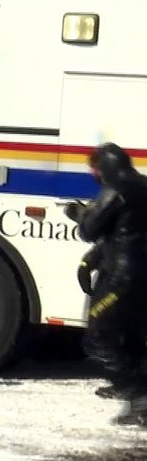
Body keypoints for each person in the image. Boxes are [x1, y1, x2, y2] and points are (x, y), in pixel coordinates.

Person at [64, 142, 147, 419]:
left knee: (101, 331)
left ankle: (137, 396)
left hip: (121, 279)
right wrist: (92, 259)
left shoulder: (115, 191)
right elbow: (124, 233)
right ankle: (132, 390)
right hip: (139, 275)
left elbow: (90, 229)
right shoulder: (142, 184)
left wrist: (78, 214)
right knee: (133, 335)